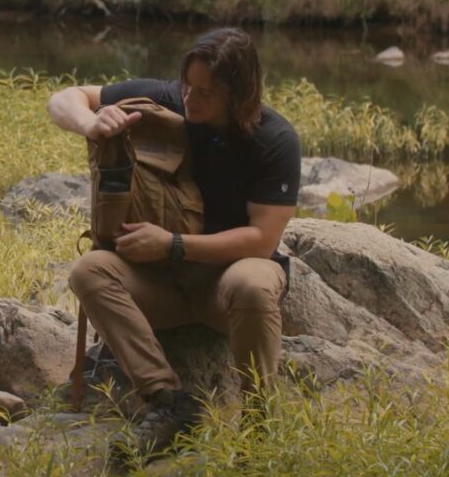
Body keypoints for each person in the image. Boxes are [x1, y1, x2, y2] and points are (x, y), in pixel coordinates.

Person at [46, 27, 301, 451]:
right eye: (188, 84)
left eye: (206, 92)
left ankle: (259, 427)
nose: (190, 99)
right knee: (90, 271)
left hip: (227, 290)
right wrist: (91, 122)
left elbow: (261, 239)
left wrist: (172, 244)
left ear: (239, 94)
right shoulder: (171, 98)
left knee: (254, 282)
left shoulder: (275, 139)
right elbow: (64, 98)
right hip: (161, 286)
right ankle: (168, 403)